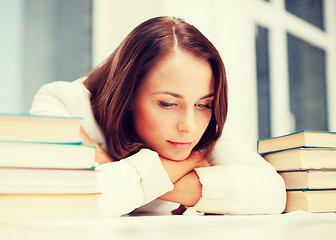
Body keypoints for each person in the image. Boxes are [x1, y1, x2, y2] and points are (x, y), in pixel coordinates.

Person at [30, 16, 286, 216]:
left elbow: (271, 193)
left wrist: (112, 170)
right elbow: (70, 198)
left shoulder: (200, 129)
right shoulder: (60, 102)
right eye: (167, 103)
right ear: (127, 94)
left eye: (203, 104)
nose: (188, 126)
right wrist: (183, 168)